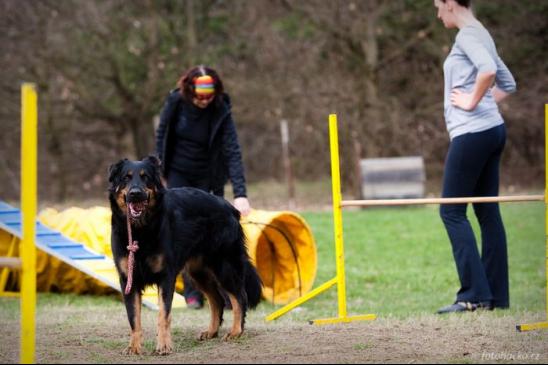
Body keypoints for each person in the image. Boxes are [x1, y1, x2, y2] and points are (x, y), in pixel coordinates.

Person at [433, 0, 517, 314]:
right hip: (492, 130)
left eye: (438, 6)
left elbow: (490, 72)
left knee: (451, 212)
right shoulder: (481, 33)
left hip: (472, 134)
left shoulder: (467, 36)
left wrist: (470, 101)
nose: (438, 13)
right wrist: (481, 102)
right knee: (486, 212)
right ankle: (494, 296)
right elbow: (508, 84)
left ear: (451, 4)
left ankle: (472, 296)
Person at [156, 65, 251, 309]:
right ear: (190, 91)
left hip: (209, 177)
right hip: (178, 174)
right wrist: (160, 175)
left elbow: (232, 150)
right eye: (200, 96)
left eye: (209, 97)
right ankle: (192, 293)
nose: (204, 101)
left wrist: (240, 194)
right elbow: (162, 135)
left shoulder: (221, 108)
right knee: (181, 233)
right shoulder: (176, 102)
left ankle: (224, 289)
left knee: (214, 234)